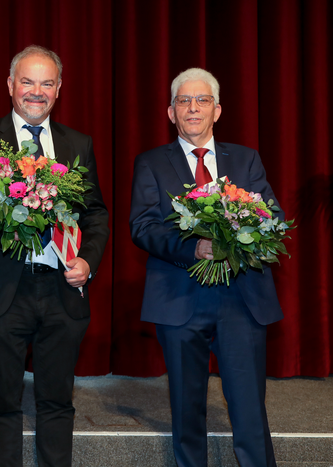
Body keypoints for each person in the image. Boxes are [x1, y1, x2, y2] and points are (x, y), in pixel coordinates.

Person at [0, 45, 110, 466]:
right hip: (3, 289)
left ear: (58, 89)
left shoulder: (78, 143)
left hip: (61, 288)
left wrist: (88, 262)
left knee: (57, 401)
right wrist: (11, 217)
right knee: (3, 402)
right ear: (10, 85)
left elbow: (95, 214)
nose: (35, 92)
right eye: (27, 81)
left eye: (46, 83)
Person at [129, 68, 282, 467]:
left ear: (217, 110)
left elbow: (273, 219)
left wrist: (242, 235)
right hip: (179, 300)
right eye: (184, 101)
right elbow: (142, 227)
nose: (193, 108)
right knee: (186, 409)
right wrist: (193, 247)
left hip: (242, 300)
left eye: (202, 101)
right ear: (170, 112)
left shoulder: (246, 159)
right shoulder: (150, 163)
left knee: (250, 410)